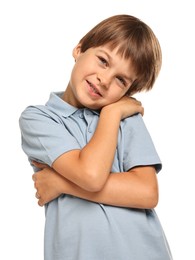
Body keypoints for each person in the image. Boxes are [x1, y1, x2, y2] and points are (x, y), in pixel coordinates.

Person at [19, 14, 173, 260]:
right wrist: (112, 115)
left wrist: (62, 184)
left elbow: (146, 193)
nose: (104, 79)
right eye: (103, 61)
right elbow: (90, 174)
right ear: (79, 49)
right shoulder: (40, 119)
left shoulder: (127, 118)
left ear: (127, 93)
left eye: (121, 80)